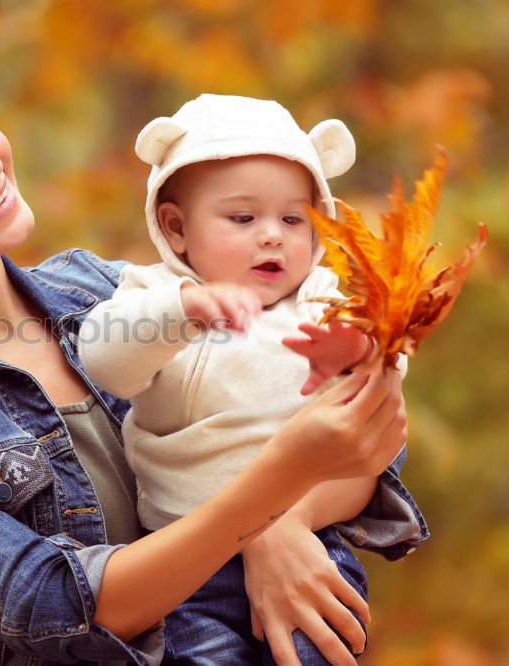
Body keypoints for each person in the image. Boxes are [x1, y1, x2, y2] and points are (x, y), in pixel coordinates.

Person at [0, 39, 427, 666]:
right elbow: (55, 605)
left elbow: (364, 440)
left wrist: (283, 523)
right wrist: (265, 500)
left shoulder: (103, 292)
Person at [77, 94, 415, 664]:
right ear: (176, 227)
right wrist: (184, 309)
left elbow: (389, 370)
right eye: (243, 218)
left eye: (293, 219)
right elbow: (106, 361)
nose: (273, 236)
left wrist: (356, 346)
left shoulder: (319, 297)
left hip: (312, 542)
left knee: (314, 650)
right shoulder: (151, 295)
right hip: (187, 566)